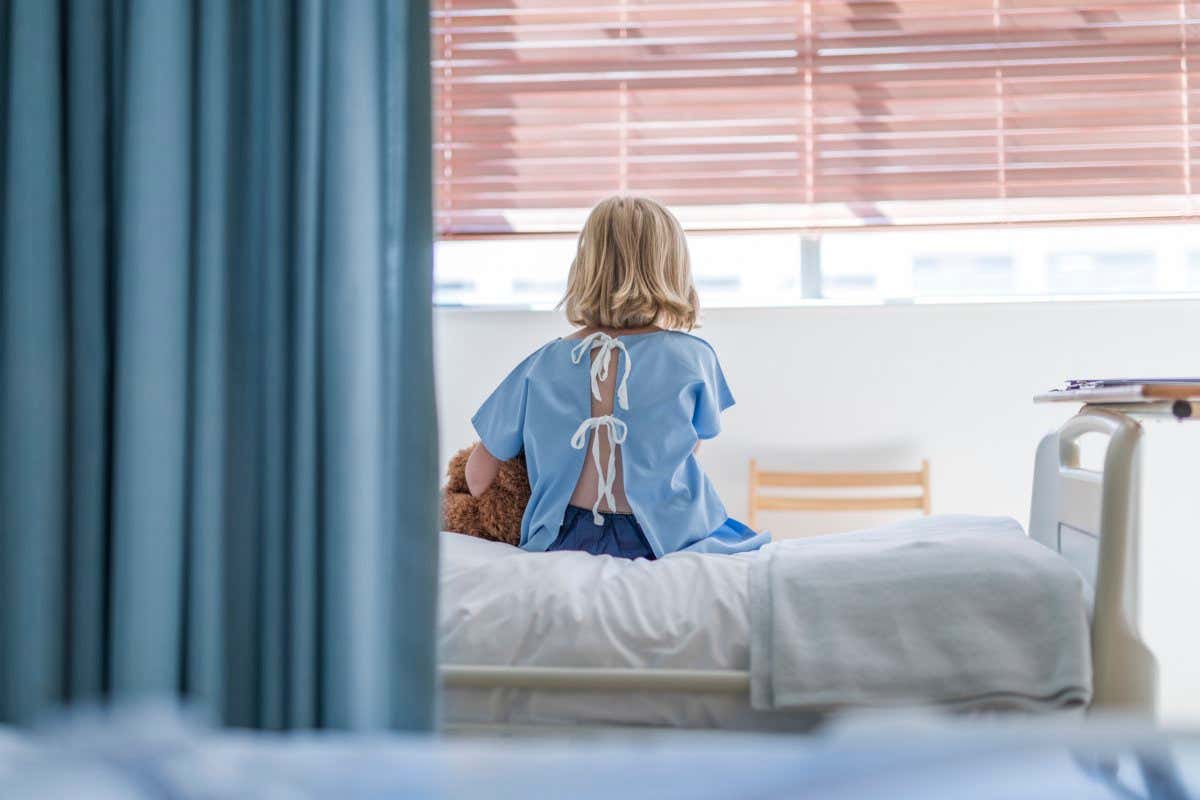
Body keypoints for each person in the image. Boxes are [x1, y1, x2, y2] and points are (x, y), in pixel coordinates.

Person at [466, 196, 769, 559]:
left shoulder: (540, 365)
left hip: (563, 539)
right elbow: (688, 446)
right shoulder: (694, 357)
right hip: (666, 536)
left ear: (585, 267)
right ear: (673, 269)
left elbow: (478, 477)